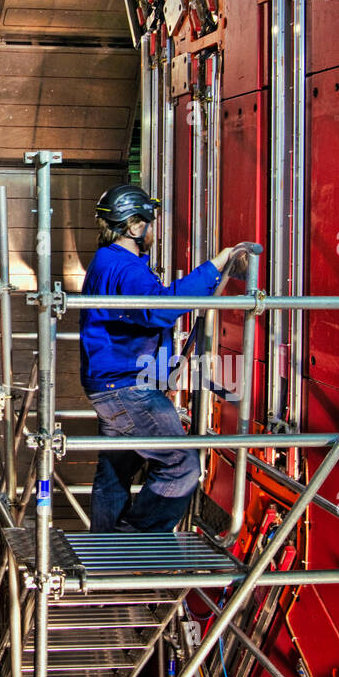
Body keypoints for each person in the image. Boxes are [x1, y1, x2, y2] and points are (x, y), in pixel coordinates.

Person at [79, 183, 241, 533]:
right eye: (149, 224)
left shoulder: (110, 262)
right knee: (181, 465)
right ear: (136, 226)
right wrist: (217, 265)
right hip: (126, 388)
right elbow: (161, 308)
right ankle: (134, 543)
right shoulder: (125, 269)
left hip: (112, 383)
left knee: (115, 472)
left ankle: (107, 553)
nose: (152, 231)